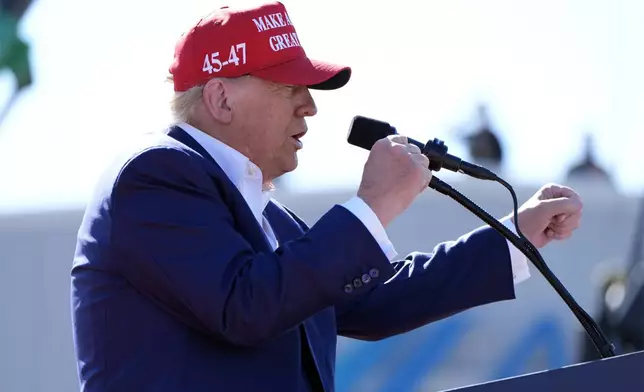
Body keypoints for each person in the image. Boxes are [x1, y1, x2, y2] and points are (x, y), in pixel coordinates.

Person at [70, 2, 583, 391]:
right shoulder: (155, 176)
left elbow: (377, 302)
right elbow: (245, 305)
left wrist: (515, 237)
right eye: (286, 87)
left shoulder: (263, 213)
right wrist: (373, 204)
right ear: (220, 97)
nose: (309, 107)